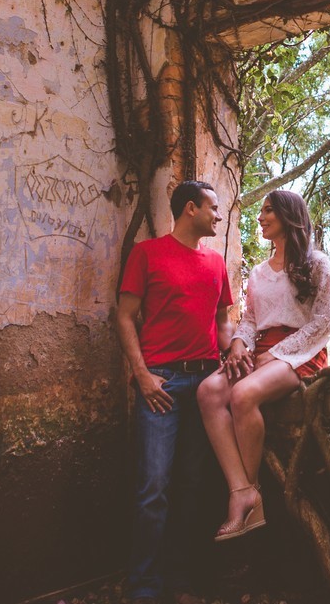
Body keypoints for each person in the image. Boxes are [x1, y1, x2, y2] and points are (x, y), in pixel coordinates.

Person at [116, 180, 234, 604]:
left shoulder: (217, 264)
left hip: (205, 384)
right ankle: (144, 588)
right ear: (190, 209)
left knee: (193, 484)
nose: (218, 215)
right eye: (213, 207)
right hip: (161, 385)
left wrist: (235, 350)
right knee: (154, 488)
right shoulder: (147, 254)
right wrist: (143, 375)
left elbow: (222, 325)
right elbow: (125, 316)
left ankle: (180, 582)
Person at [197, 189, 330, 541]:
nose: (260, 217)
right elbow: (251, 320)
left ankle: (251, 491)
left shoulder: (316, 263)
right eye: (260, 211)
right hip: (261, 349)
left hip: (301, 353)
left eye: (268, 210)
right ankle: (242, 490)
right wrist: (239, 344)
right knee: (210, 391)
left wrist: (278, 353)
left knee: (243, 394)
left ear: (288, 216)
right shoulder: (258, 273)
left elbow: (324, 321)